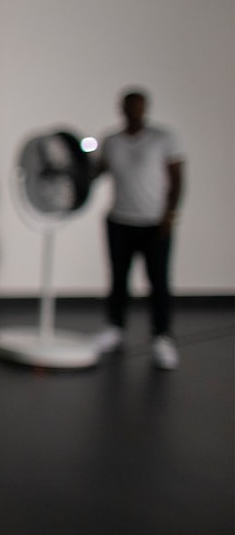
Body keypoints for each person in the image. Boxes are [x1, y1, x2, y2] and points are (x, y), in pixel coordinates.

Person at [89, 88, 185, 369]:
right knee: (118, 278)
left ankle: (162, 337)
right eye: (129, 106)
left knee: (158, 281)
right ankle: (114, 328)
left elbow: (177, 179)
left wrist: (170, 214)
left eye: (139, 106)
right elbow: (97, 173)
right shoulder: (111, 141)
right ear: (121, 108)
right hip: (120, 221)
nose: (134, 111)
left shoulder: (164, 139)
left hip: (154, 222)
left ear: (146, 108)